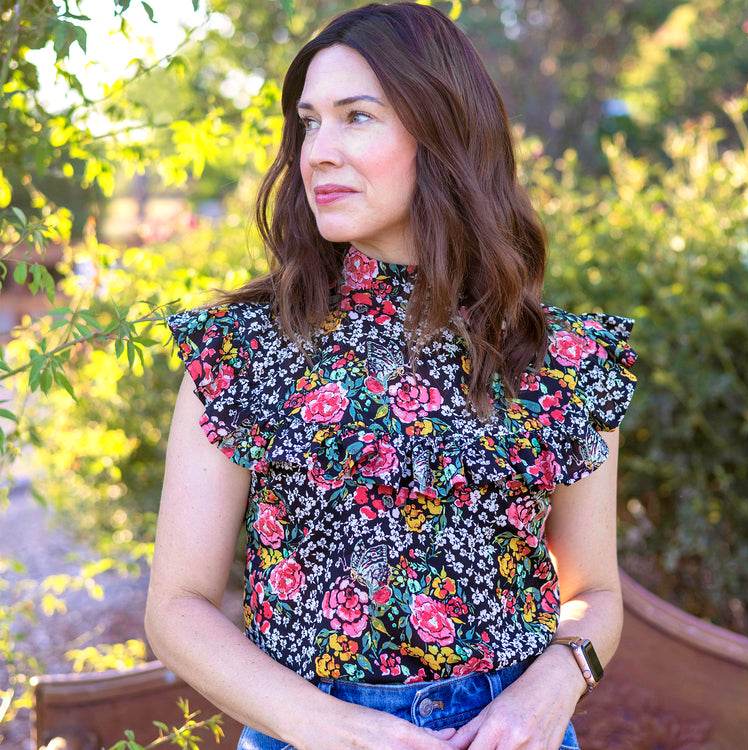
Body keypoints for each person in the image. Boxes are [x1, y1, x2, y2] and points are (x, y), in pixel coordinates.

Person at [145, 3, 637, 749]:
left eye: (357, 117)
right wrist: (327, 727)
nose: (318, 152)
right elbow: (176, 608)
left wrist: (553, 687)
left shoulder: (561, 356)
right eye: (309, 123)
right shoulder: (244, 348)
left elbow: (594, 591)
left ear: (442, 133)